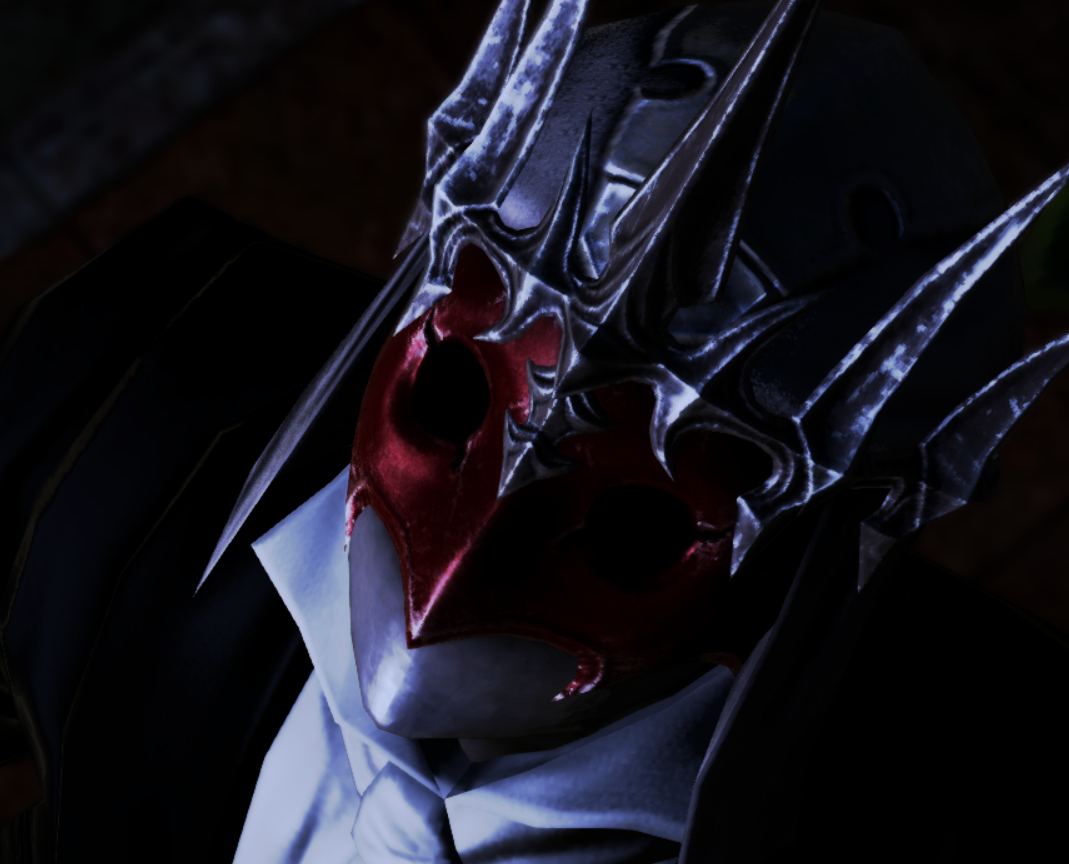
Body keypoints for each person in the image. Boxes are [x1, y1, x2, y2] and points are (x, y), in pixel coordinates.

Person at [1, 1, 1067, 862]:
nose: (457, 574)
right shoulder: (115, 390)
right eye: (454, 394)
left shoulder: (987, 808)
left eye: (639, 525)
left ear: (829, 539)